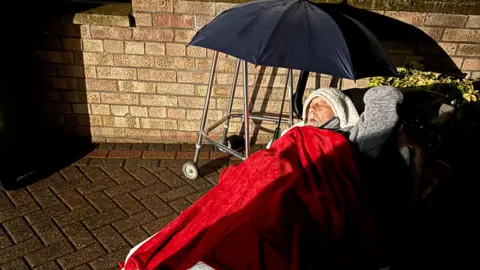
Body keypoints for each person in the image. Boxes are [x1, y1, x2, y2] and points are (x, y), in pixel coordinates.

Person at [268, 86, 404, 158]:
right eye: (310, 104)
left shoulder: (350, 136)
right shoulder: (294, 131)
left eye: (321, 104)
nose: (312, 109)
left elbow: (385, 95)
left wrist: (358, 96)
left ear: (339, 110)